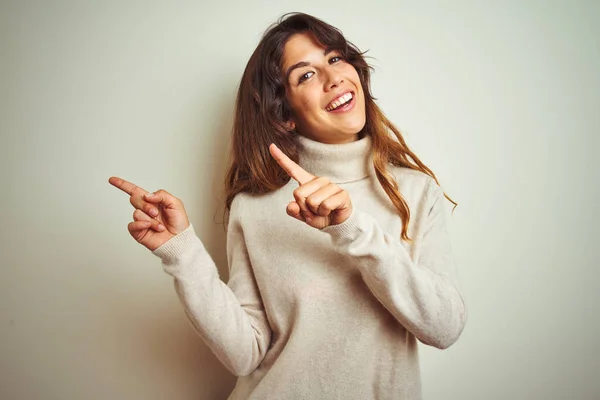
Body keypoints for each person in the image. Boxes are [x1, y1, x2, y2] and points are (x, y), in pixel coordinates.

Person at [109, 12, 467, 400]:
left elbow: (443, 328)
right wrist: (181, 252)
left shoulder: (415, 191)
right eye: (306, 75)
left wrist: (353, 230)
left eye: (334, 58)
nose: (334, 79)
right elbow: (245, 354)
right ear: (285, 113)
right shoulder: (254, 205)